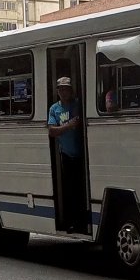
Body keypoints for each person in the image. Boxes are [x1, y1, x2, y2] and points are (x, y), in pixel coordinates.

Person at [48, 77, 86, 232]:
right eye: (61, 89)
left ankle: (82, 222)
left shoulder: (78, 105)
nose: (64, 91)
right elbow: (51, 130)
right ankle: (71, 222)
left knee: (82, 190)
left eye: (67, 89)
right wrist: (68, 125)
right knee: (70, 191)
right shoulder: (54, 109)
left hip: (83, 154)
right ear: (57, 91)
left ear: (71, 90)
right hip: (67, 155)